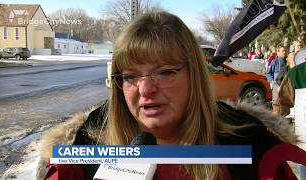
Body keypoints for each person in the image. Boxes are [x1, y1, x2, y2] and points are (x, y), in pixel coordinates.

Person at [38, 11, 305, 180]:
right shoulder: (81, 156)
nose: (145, 90)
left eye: (165, 72)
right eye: (130, 76)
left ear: (194, 77)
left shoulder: (252, 147)